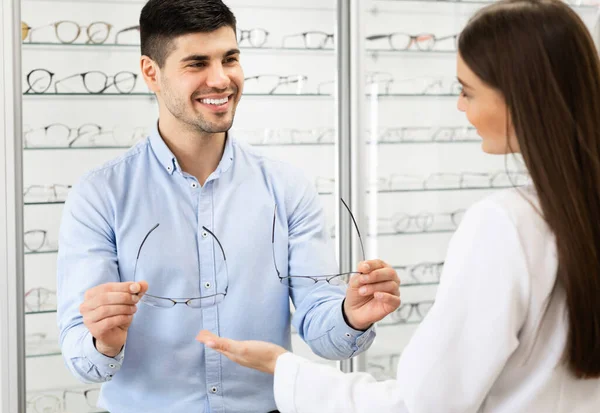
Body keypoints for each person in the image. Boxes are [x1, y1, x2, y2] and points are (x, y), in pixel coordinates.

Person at [196, 0, 600, 411]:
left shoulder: (505, 224)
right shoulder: (575, 213)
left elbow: (420, 405)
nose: (461, 107)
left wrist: (282, 367)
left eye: (467, 91)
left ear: (521, 97)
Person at [56, 0, 401, 412]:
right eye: (197, 63)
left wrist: (350, 315)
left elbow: (323, 332)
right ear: (152, 73)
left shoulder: (287, 188)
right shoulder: (99, 195)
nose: (220, 79)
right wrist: (104, 341)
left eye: (230, 58)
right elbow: (83, 360)